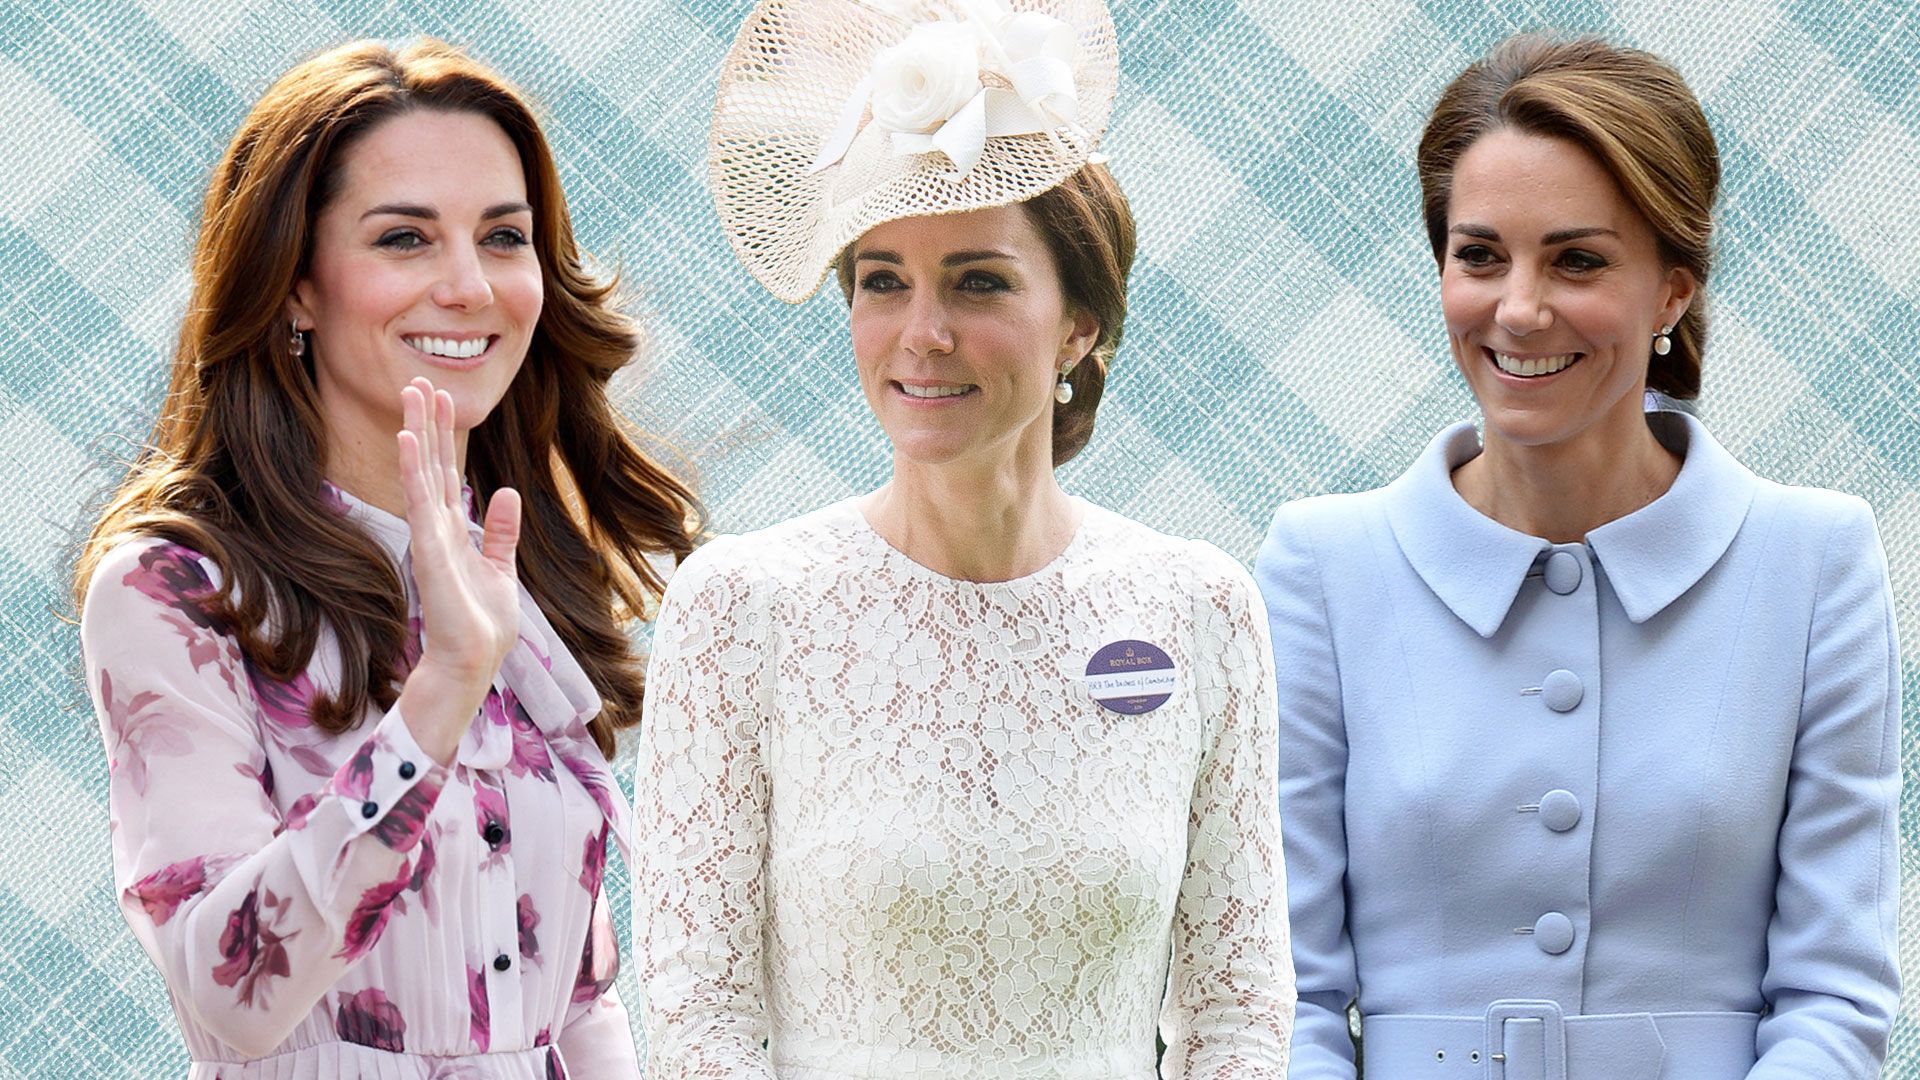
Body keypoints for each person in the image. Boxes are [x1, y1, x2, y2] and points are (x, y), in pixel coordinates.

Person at [634, 1, 1294, 1076]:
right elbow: (696, 1015)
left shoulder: (1198, 607)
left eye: (979, 281)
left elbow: (1241, 1009)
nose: (922, 333)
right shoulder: (741, 607)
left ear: (1081, 321)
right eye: (883, 280)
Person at [1257, 33, 1901, 1080]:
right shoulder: (1320, 568)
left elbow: (1836, 995)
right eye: (1479, 255)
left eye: (1579, 259)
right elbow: (1284, 996)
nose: (1517, 309)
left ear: (1673, 294)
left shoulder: (1815, 560)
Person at [74, 38, 698, 1077]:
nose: (468, 285)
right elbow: (233, 994)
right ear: (294, 288)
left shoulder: (523, 565)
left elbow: (579, 1005)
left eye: (504, 238)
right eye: (404, 239)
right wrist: (442, 690)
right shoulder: (176, 590)